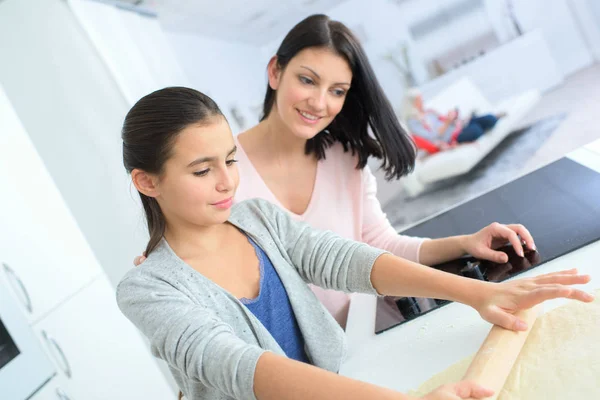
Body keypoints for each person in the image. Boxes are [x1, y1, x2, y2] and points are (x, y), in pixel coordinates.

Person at [118, 86, 593, 400]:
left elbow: (342, 259)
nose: (227, 183)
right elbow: (240, 366)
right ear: (148, 181)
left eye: (229, 160)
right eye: (203, 171)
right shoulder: (148, 289)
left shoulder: (254, 217)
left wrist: (480, 294)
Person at [135, 14, 529, 328]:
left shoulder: (343, 156)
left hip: (382, 326)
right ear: (275, 72)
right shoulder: (222, 177)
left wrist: (464, 243)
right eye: (307, 80)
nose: (319, 102)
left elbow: (380, 245)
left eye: (338, 90)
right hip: (310, 362)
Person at [401, 87, 506, 152]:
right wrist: (447, 122)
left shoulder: (429, 112)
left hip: (459, 125)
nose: (422, 101)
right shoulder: (413, 122)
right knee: (476, 130)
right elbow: (431, 137)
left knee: (490, 119)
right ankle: (478, 127)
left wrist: (451, 117)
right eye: (419, 100)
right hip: (452, 137)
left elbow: (443, 119)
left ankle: (483, 121)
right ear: (412, 104)